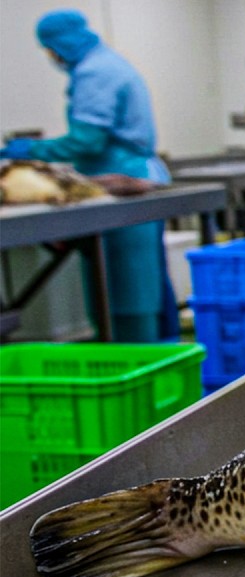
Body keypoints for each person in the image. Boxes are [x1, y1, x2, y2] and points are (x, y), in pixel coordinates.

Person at [1, 9, 178, 342]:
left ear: (61, 43)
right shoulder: (107, 63)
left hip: (121, 182)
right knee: (142, 282)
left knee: (126, 286)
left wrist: (31, 151)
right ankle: (152, 353)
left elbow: (88, 140)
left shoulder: (95, 73)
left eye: (49, 47)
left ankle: (134, 360)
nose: (50, 55)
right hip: (133, 175)